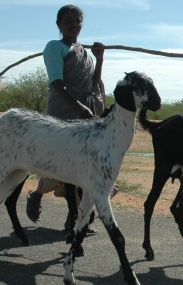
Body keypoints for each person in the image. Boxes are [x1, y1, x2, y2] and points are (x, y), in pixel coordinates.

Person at [26, 4, 117, 233]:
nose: (74, 25)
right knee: (61, 164)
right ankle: (38, 195)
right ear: (59, 24)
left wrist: (100, 58)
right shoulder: (54, 47)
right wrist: (78, 108)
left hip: (86, 112)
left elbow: (94, 83)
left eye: (78, 21)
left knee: (83, 166)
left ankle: (75, 218)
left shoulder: (84, 51)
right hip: (64, 113)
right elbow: (56, 84)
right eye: (68, 21)